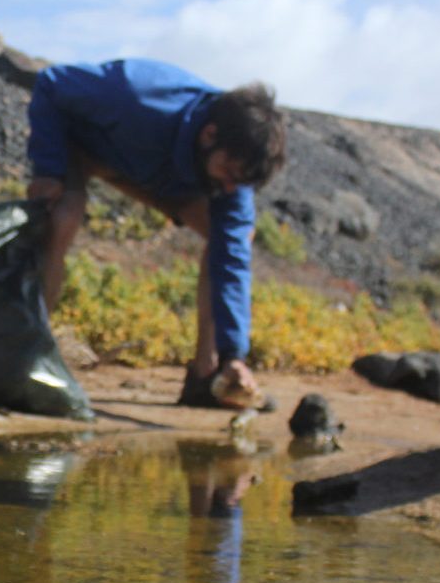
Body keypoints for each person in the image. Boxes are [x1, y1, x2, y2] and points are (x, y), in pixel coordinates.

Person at [25, 59, 287, 408]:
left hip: (166, 176)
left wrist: (234, 354)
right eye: (229, 172)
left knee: (232, 237)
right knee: (62, 216)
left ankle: (207, 376)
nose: (230, 185)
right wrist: (49, 168)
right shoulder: (133, 95)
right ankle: (26, 353)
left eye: (237, 182)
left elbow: (233, 261)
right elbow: (50, 83)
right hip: (91, 149)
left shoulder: (231, 177)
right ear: (210, 135)